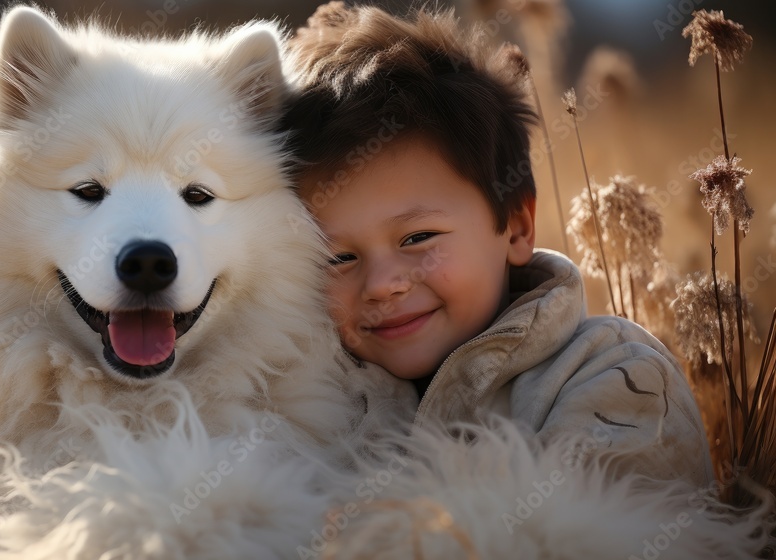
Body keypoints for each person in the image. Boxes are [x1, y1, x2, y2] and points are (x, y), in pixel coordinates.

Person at [281, 2, 713, 486]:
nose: (382, 285)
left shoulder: (613, 377)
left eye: (418, 237)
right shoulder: (315, 397)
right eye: (339, 257)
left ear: (515, 227)